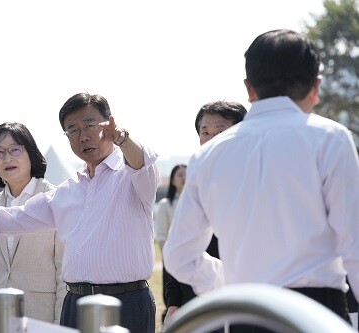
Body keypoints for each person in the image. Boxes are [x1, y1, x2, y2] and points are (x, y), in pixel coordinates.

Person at [0, 92, 160, 333]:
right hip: (75, 304)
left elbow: (142, 162)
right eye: (73, 130)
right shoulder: (68, 190)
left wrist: (123, 139)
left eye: (90, 125)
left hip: (125, 302)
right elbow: (12, 218)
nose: (83, 136)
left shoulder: (133, 177)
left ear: (108, 125)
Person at [163, 29, 359, 332]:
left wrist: (229, 281)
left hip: (244, 313)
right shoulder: (331, 139)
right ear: (315, 87)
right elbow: (355, 246)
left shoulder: (209, 154)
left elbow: (179, 257)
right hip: (318, 314)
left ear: (249, 88)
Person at [0, 122, 66, 324]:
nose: (7, 158)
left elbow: (64, 272)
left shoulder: (54, 200)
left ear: (31, 153)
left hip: (40, 317)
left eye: (15, 149)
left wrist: (59, 325)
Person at [163, 101, 247, 325]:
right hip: (200, 304)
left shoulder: (256, 179)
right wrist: (174, 302)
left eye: (221, 132)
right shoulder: (197, 181)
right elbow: (179, 246)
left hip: (249, 302)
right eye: (205, 132)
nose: (211, 140)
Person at [154, 163, 187, 321]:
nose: (184, 178)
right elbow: (161, 236)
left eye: (187, 174)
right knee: (173, 301)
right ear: (173, 180)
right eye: (180, 175)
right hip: (172, 261)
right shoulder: (165, 205)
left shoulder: (196, 203)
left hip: (191, 262)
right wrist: (169, 260)